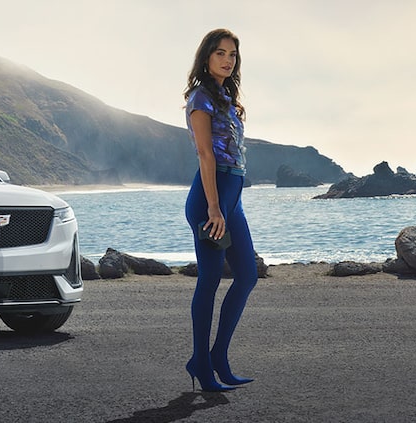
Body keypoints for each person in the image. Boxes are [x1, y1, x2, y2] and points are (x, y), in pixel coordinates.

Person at [182, 28, 258, 392]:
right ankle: (201, 363)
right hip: (209, 200)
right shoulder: (200, 98)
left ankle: (217, 358)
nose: (227, 60)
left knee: (247, 276)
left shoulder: (229, 97)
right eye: (220, 53)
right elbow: (205, 154)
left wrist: (228, 205)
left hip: (233, 198)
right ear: (206, 57)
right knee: (210, 279)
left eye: (232, 54)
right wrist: (213, 207)